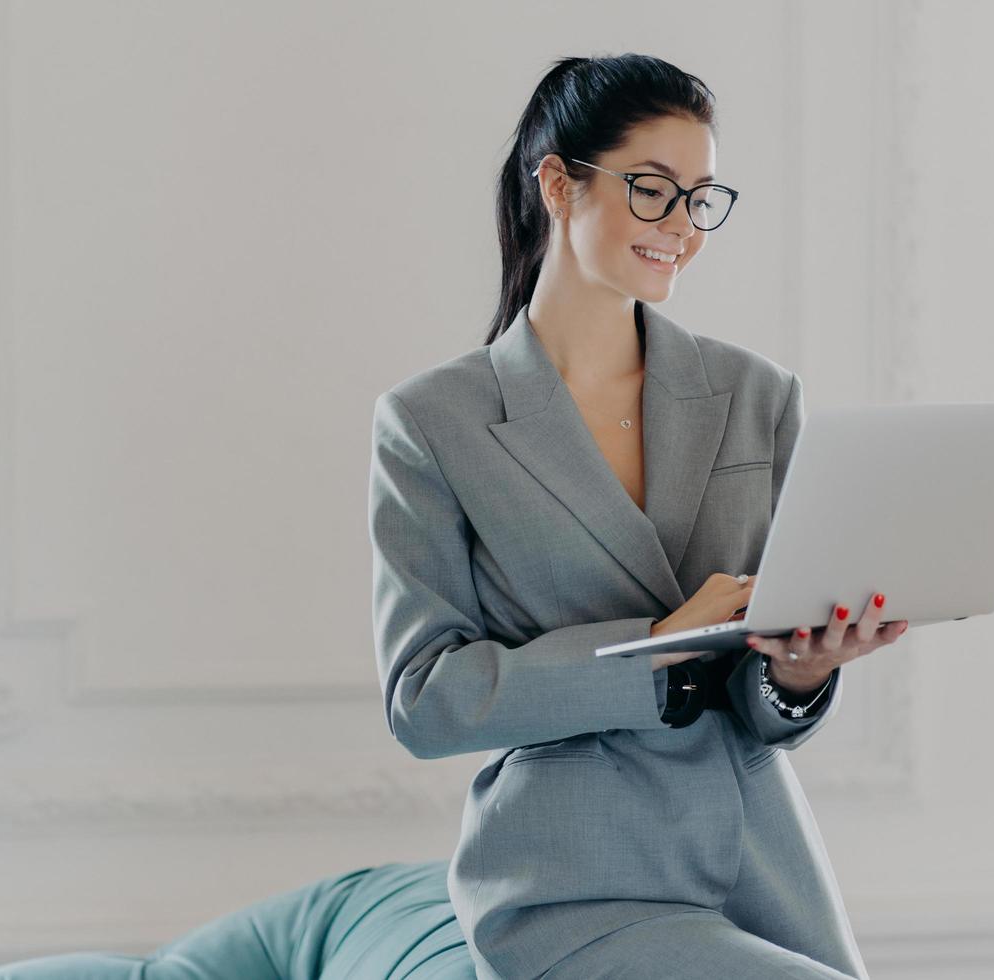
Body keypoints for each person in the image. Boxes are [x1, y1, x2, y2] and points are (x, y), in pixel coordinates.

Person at [366, 53, 910, 980]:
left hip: (759, 863)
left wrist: (800, 674)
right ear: (557, 183)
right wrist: (655, 644)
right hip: (570, 878)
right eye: (653, 191)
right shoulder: (434, 422)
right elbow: (424, 699)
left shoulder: (755, 394)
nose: (683, 228)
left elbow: (760, 694)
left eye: (701, 199)